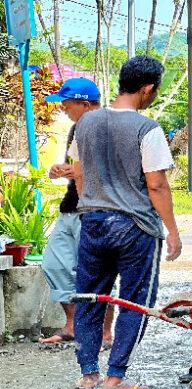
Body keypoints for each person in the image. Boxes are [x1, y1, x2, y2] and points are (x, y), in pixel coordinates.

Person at [69, 56, 182, 389]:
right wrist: (172, 231)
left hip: (93, 222)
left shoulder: (84, 124)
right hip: (135, 227)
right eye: (155, 90)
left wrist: (92, 203)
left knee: (90, 296)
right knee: (134, 300)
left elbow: (79, 172)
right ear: (147, 88)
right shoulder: (147, 129)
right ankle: (115, 379)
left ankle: (89, 373)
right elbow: (157, 185)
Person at [39, 78, 115, 349]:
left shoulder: (109, 128)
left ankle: (105, 333)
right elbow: (76, 167)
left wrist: (80, 173)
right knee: (54, 264)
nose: (63, 109)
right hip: (70, 207)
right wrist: (59, 170)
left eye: (66, 104)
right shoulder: (75, 129)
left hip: (96, 209)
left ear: (84, 104)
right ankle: (72, 325)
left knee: (98, 272)